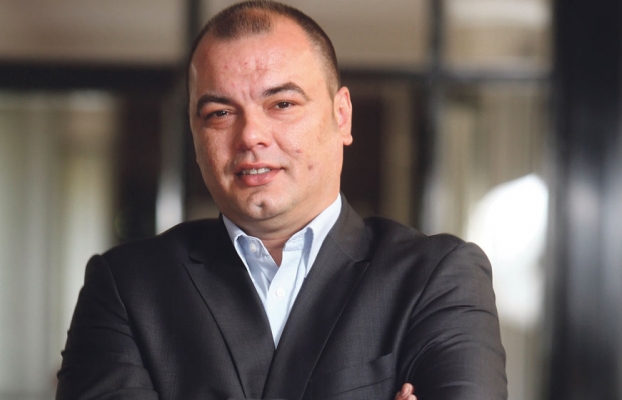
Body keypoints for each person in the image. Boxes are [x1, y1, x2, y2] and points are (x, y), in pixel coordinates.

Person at [56, 1, 507, 399]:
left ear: (341, 116)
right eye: (220, 113)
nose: (250, 135)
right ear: (195, 135)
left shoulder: (435, 279)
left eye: (282, 104)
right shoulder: (127, 287)